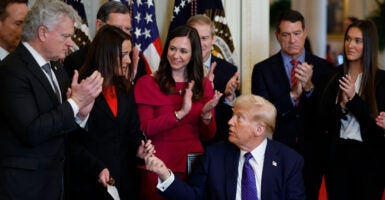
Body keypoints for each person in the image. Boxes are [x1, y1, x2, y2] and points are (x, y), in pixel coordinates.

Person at [0, 0, 104, 199]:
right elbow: (32, 131)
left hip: (54, 183)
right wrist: (75, 103)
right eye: (65, 36)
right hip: (23, 188)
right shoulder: (12, 70)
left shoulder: (57, 68)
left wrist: (80, 114)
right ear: (42, 33)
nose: (70, 43)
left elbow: (60, 124)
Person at [145, 94, 305, 200]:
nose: (230, 122)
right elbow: (194, 197)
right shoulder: (215, 155)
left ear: (259, 129)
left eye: (239, 118)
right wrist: (165, 174)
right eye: (232, 116)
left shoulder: (289, 161)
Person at [251, 10, 335, 200]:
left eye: (297, 33)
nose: (292, 40)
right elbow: (262, 115)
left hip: (313, 153)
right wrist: (292, 95)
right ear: (277, 36)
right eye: (286, 34)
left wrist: (309, 88)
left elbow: (328, 114)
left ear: (305, 33)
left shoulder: (325, 68)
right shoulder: (262, 70)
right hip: (276, 150)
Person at [134, 25, 223, 200]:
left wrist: (206, 116)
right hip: (157, 165)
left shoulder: (203, 85)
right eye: (172, 48)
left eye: (183, 51)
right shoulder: (147, 83)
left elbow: (208, 135)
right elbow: (145, 128)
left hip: (193, 166)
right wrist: (179, 114)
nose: (176, 55)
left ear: (193, 55)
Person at [66, 25, 154, 200]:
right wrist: (97, 168)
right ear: (106, 54)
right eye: (123, 55)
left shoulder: (125, 88)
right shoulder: (80, 88)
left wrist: (141, 149)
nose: (128, 60)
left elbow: (133, 131)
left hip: (125, 183)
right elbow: (70, 141)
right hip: (89, 184)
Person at [319, 19, 385, 200]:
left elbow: (376, 128)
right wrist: (340, 106)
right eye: (348, 39)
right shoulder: (334, 76)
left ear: (369, 44)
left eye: (358, 41)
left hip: (369, 161)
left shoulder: (380, 80)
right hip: (337, 157)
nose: (350, 45)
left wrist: (354, 99)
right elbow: (323, 120)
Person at [187, 14, 240, 144]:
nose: (199, 43)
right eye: (195, 38)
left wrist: (229, 98)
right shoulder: (178, 68)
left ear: (213, 39)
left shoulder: (229, 70)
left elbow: (234, 118)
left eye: (204, 38)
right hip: (187, 140)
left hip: (218, 143)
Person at [64, 1, 146, 82]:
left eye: (127, 29)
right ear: (99, 26)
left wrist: (128, 83)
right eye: (117, 29)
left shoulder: (135, 61)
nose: (123, 34)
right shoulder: (75, 62)